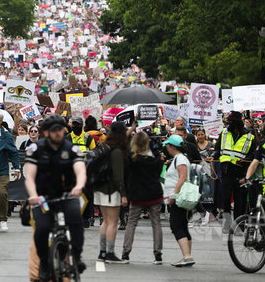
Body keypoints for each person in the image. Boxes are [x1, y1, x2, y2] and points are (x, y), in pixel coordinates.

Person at [23, 115, 86, 282]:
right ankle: (44, 264)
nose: (58, 133)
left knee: (76, 220)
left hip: (67, 195)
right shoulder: (36, 150)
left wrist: (79, 186)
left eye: (60, 129)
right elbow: (29, 176)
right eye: (54, 130)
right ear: (46, 132)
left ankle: (77, 257)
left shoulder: (72, 149)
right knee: (42, 228)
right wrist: (33, 195)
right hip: (42, 198)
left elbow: (80, 169)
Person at [121, 130, 164, 265]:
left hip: (137, 194)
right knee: (156, 223)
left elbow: (126, 177)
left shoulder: (131, 159)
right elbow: (158, 173)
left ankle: (126, 253)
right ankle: (158, 254)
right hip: (154, 193)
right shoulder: (154, 158)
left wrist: (125, 194)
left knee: (131, 223)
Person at [93, 121, 128, 263]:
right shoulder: (118, 151)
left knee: (105, 222)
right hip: (112, 190)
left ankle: (102, 252)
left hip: (99, 188)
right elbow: (119, 176)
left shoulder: (104, 147)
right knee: (113, 222)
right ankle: (111, 253)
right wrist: (124, 194)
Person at [213, 111, 256, 226]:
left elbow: (254, 154)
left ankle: (238, 225)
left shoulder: (250, 137)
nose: (228, 125)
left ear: (237, 123)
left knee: (240, 201)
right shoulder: (224, 133)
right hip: (226, 171)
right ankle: (227, 223)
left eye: (230, 122)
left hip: (241, 172)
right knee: (226, 199)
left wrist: (246, 159)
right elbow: (217, 149)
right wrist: (212, 157)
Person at [162, 134, 194, 267]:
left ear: (172, 146)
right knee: (182, 226)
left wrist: (173, 194)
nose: (166, 148)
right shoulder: (178, 158)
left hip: (178, 198)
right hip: (178, 197)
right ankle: (187, 256)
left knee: (176, 226)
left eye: (168, 146)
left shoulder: (180, 159)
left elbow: (182, 177)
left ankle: (187, 256)